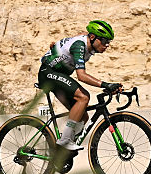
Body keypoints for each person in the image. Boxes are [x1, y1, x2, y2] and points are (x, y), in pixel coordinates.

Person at [38, 20, 122, 151]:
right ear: (93, 38)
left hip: (58, 74)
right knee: (84, 97)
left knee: (83, 116)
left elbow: (82, 34)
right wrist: (106, 84)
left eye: (109, 42)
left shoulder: (88, 39)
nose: (107, 45)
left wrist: (57, 47)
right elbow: (81, 76)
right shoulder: (79, 46)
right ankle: (65, 139)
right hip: (48, 73)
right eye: (104, 41)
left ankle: (61, 151)